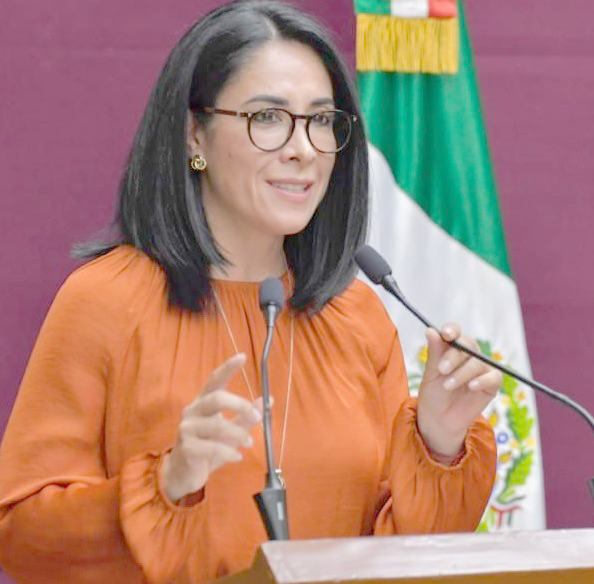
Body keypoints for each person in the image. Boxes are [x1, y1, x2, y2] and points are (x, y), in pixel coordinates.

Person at [0, 1, 501, 583]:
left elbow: (403, 561)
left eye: (321, 121)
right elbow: (23, 538)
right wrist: (166, 483)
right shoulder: (105, 301)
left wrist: (439, 443)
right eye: (268, 117)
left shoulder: (356, 314)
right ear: (195, 133)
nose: (303, 148)